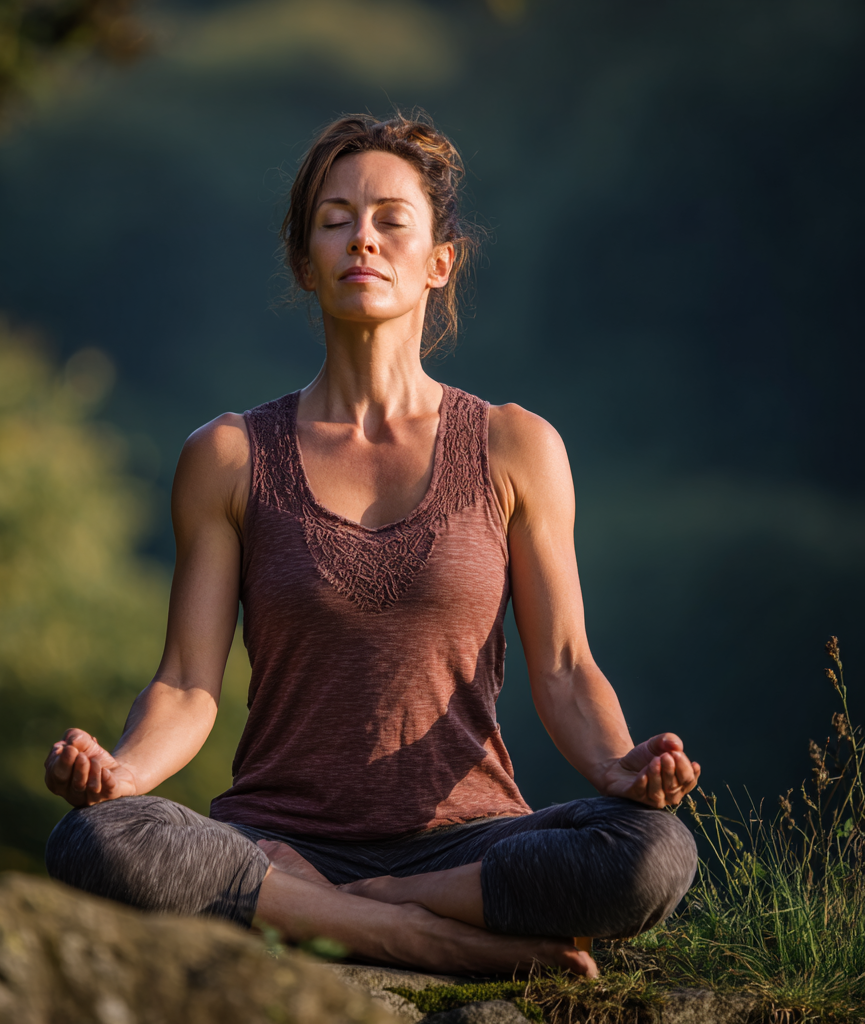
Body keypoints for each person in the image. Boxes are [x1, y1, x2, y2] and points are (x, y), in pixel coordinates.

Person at [43, 113, 700, 979]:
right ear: (305, 262)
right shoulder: (229, 456)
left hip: (467, 845)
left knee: (654, 853)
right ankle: (416, 939)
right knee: (97, 839)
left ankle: (365, 911)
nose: (363, 238)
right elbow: (188, 683)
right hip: (275, 843)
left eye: (392, 218)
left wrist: (620, 769)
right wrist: (122, 774)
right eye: (336, 218)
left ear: (439, 262)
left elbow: (568, 667)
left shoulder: (515, 445)